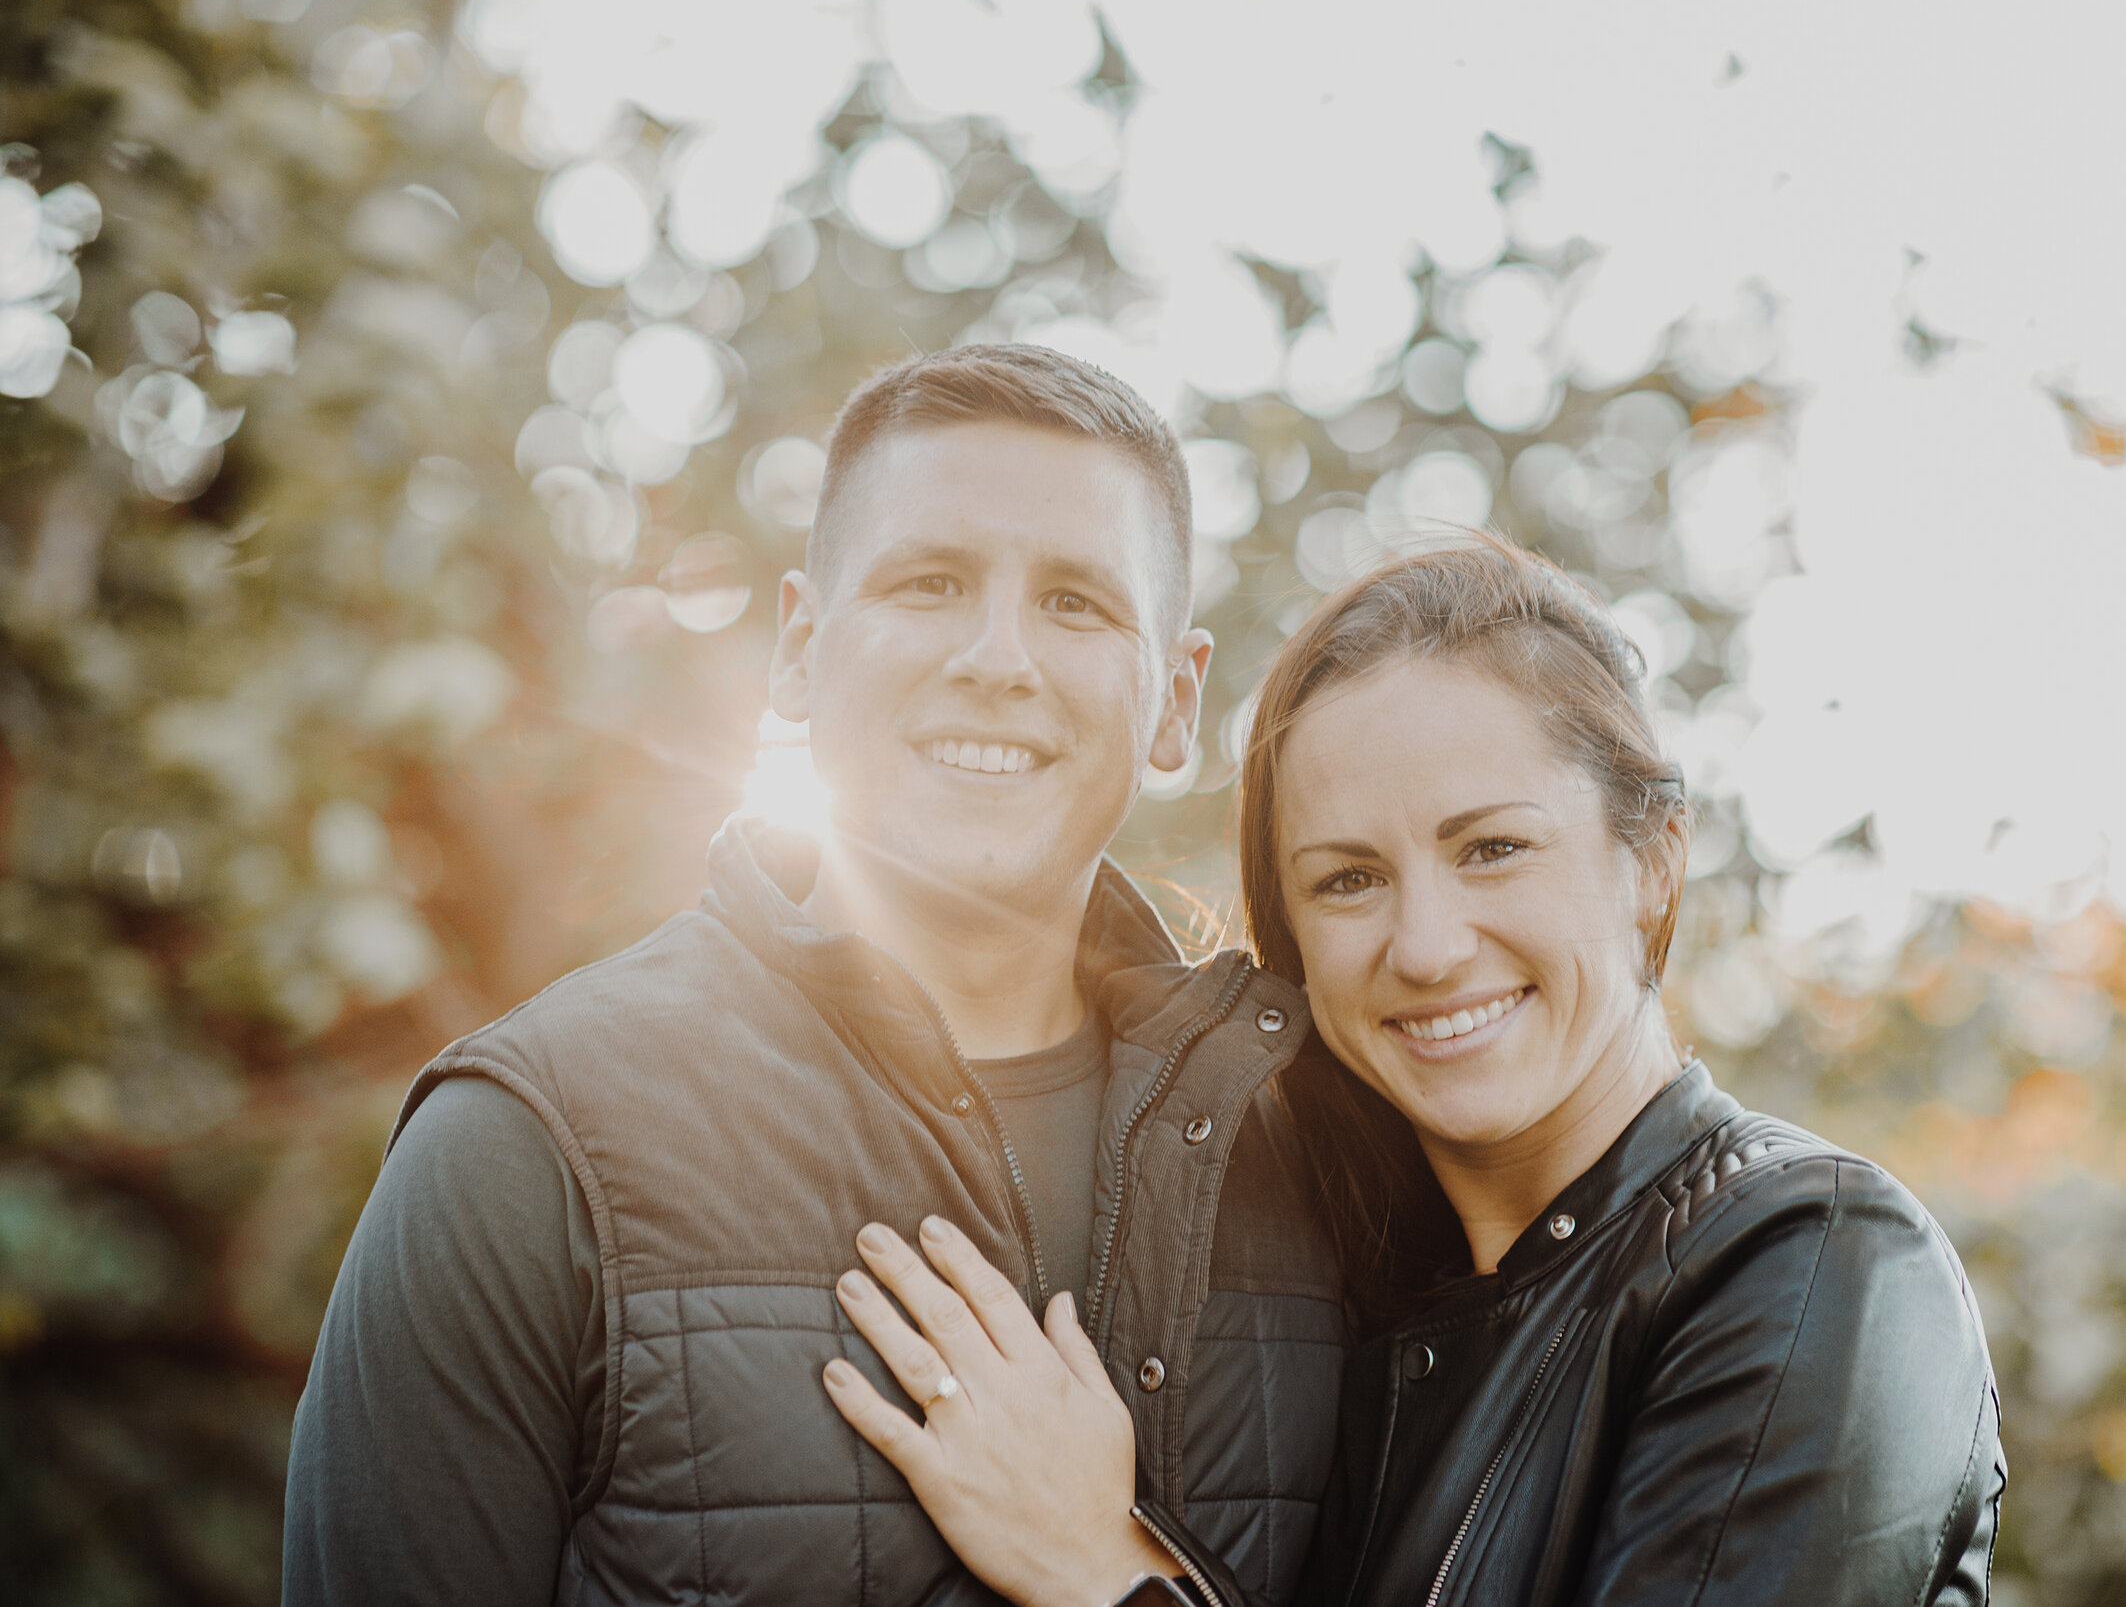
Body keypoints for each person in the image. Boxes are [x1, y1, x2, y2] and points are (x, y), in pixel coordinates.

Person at [283, 345, 1347, 1606]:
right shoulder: (528, 1145)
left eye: (1076, 602)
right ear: (798, 646)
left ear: (1175, 701)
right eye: (930, 582)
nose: (997, 657)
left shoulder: (1328, 1156)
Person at [819, 536, 2005, 1606]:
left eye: (1493, 848)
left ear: (1652, 861)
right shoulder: (1341, 1310)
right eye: (1347, 879)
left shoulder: (1808, 1262)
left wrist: (1108, 1574)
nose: (1427, 946)